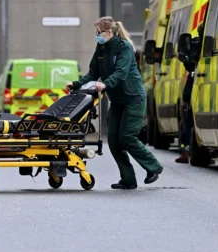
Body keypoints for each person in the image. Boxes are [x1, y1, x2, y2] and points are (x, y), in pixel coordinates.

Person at [69, 17, 163, 190]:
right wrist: (76, 84)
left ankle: (153, 167)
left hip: (133, 98)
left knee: (127, 137)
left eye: (99, 32)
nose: (96, 35)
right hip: (117, 101)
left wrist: (105, 84)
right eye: (96, 32)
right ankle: (128, 179)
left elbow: (121, 72)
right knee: (113, 140)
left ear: (109, 32)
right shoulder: (101, 48)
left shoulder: (124, 47)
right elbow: (93, 72)